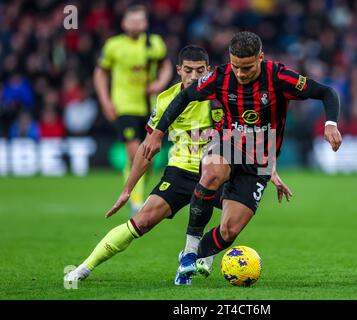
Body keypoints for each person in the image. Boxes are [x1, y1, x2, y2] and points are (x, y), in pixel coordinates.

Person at [64, 45, 292, 285]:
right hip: (180, 171)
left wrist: (270, 171)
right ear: (178, 70)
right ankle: (84, 268)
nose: (194, 77)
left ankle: (197, 256)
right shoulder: (166, 100)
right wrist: (128, 189)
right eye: (188, 70)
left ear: (208, 71)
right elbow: (148, 147)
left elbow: (252, 135)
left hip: (221, 171)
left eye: (200, 71)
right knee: (142, 221)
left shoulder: (222, 94)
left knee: (231, 224)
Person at [143, 31, 342, 285]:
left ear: (260, 57)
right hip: (227, 143)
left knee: (228, 231)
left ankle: (192, 257)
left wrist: (330, 123)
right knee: (212, 173)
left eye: (247, 67)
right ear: (230, 59)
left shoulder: (278, 76)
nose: (241, 73)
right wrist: (158, 132)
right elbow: (184, 97)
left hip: (260, 159)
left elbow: (326, 92)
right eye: (236, 66)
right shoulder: (220, 77)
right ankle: (191, 249)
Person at [94, 5, 173, 214]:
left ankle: (136, 193)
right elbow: (100, 73)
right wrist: (105, 101)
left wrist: (160, 83)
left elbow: (167, 66)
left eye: (140, 21)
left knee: (150, 156)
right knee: (134, 153)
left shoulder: (155, 43)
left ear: (146, 23)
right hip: (125, 105)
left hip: (151, 106)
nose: (136, 24)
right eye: (132, 21)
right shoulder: (114, 46)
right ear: (124, 23)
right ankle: (136, 201)